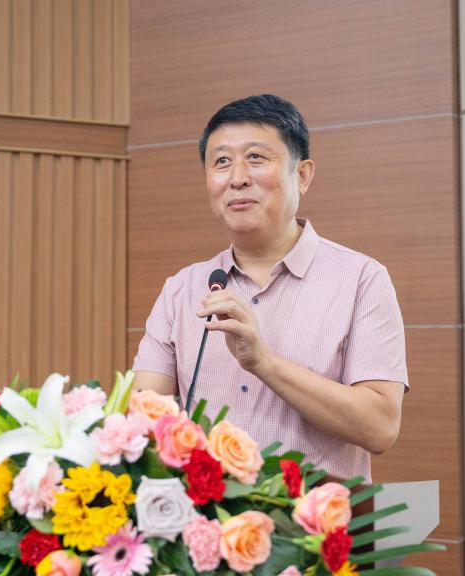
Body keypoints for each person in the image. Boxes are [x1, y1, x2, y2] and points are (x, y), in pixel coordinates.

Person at [132, 94, 407, 480]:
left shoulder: (362, 279)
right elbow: (142, 425)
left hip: (310, 518)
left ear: (303, 175)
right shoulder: (181, 290)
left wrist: (264, 363)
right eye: (221, 161)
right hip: (206, 516)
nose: (237, 177)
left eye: (256, 157)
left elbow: (380, 427)